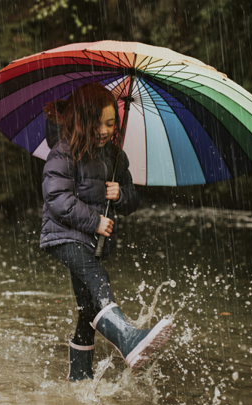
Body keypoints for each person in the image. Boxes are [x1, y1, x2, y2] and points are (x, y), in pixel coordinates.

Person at [40, 82, 173, 381]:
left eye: (110, 123)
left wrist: (120, 195)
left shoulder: (115, 157)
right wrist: (95, 221)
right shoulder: (63, 152)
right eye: (97, 123)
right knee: (97, 279)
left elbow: (132, 200)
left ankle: (79, 379)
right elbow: (57, 199)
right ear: (83, 121)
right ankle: (127, 338)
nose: (104, 130)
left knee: (88, 309)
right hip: (63, 236)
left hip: (89, 240)